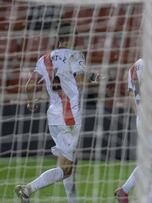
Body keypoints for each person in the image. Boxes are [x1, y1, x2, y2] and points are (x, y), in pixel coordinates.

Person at [15, 22, 98, 203]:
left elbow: (29, 85)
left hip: (53, 117)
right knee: (67, 168)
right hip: (70, 117)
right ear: (73, 38)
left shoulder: (44, 59)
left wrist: (30, 101)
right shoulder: (75, 55)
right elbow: (82, 79)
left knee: (67, 162)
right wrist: (95, 79)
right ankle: (28, 189)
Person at [114, 58, 152, 203]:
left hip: (142, 118)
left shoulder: (133, 67)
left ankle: (124, 190)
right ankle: (151, 199)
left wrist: (140, 116)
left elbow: (130, 96)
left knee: (151, 160)